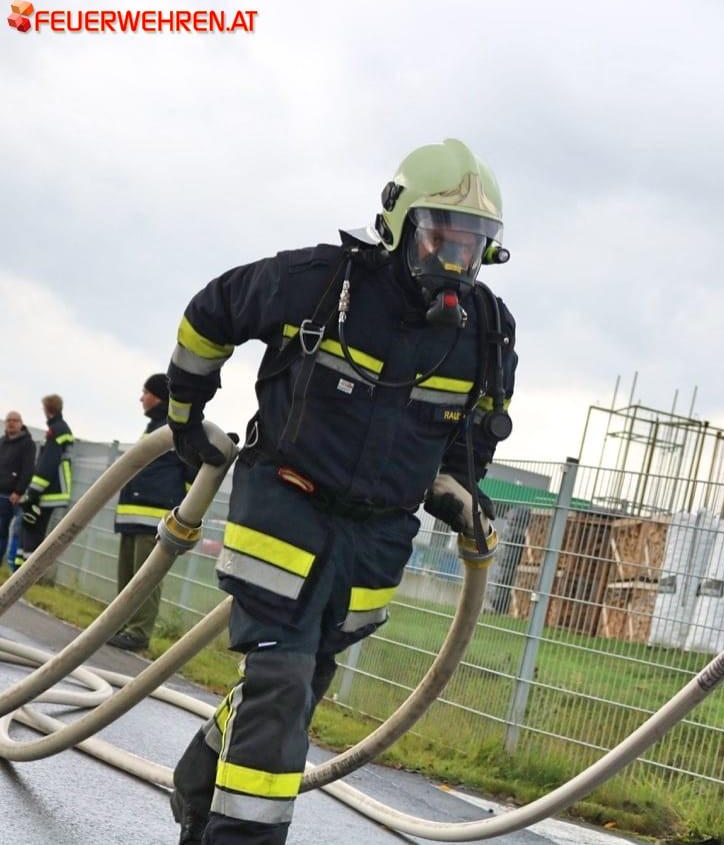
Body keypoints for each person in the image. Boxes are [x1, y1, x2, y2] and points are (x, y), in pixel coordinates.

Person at [166, 138, 517, 845]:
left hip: (376, 537)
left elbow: (474, 431)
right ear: (398, 223)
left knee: (297, 688)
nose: (455, 260)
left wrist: (457, 486)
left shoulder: (484, 333)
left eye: (472, 243)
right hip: (286, 508)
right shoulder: (321, 282)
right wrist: (184, 411)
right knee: (284, 682)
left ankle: (200, 778)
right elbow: (212, 312)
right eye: (441, 235)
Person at [107, 374, 195, 652]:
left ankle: (138, 632)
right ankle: (119, 625)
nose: (141, 398)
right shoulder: (154, 428)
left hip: (154, 520)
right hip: (133, 517)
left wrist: (184, 517)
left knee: (145, 580)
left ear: (158, 396)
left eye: (145, 392)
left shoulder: (177, 431)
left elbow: (193, 477)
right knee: (128, 577)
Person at [16, 395, 74, 568]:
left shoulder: (56, 431)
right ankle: (18, 572)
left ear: (47, 409)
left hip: (47, 493)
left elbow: (47, 464)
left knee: (32, 531)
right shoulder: (61, 429)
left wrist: (33, 492)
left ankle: (25, 575)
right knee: (28, 528)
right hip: (51, 491)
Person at [0, 411, 37, 571]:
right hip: (1, 495)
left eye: (15, 420)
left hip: (16, 497)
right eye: (8, 420)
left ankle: (15, 569)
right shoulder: (2, 442)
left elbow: (28, 469)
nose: (11, 423)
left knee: (18, 533)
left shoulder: (27, 443)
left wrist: (19, 490)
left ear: (21, 423)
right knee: (1, 532)